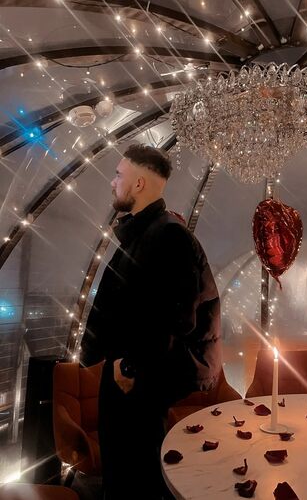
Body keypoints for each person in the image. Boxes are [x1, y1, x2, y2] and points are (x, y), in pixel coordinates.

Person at [80, 144, 222, 500]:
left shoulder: (168, 235)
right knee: (124, 469)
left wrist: (131, 366)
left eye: (119, 175)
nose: (113, 182)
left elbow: (175, 315)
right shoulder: (146, 232)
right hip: (131, 371)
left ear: (139, 183)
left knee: (135, 475)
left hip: (139, 377)